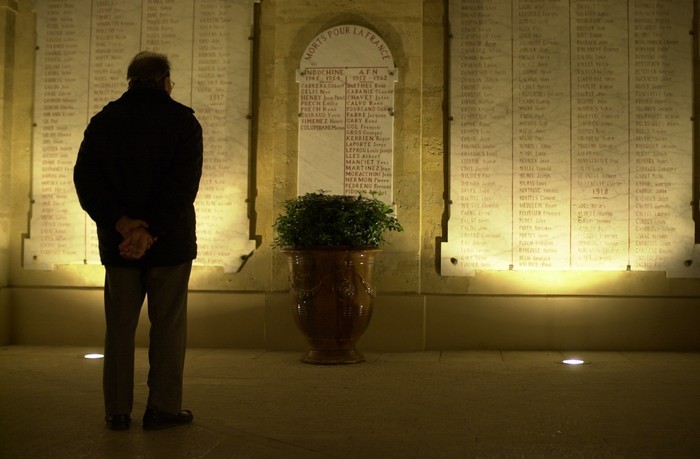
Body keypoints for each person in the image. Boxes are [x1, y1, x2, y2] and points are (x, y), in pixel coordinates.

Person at [74, 51, 203, 431]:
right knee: (168, 327)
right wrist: (152, 230)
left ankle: (117, 410)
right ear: (165, 79)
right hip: (170, 244)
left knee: (118, 328)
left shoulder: (103, 122)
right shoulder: (182, 121)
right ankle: (163, 408)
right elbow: (183, 186)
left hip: (119, 244)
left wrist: (124, 224)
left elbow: (87, 181)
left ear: (130, 80)